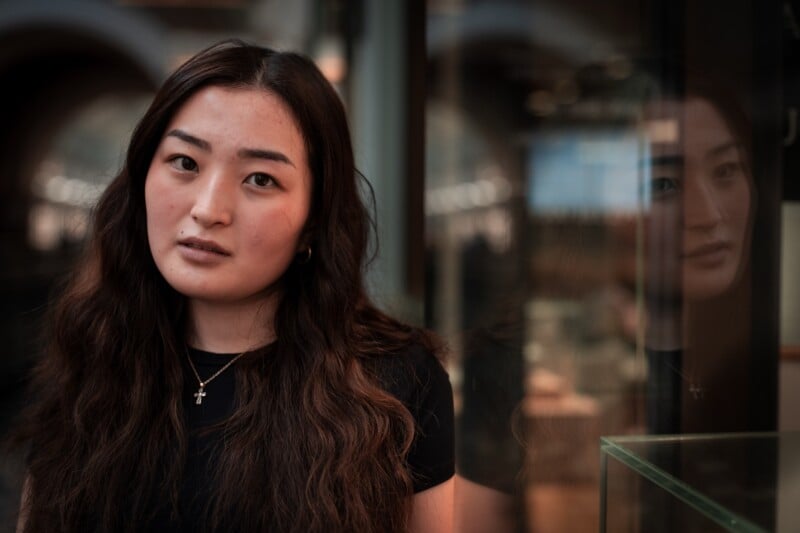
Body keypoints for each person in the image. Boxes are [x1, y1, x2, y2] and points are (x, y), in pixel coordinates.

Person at [13, 40, 454, 533]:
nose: (208, 208)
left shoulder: (396, 384)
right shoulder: (92, 352)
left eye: (260, 179)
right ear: (141, 177)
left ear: (314, 221)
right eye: (185, 162)